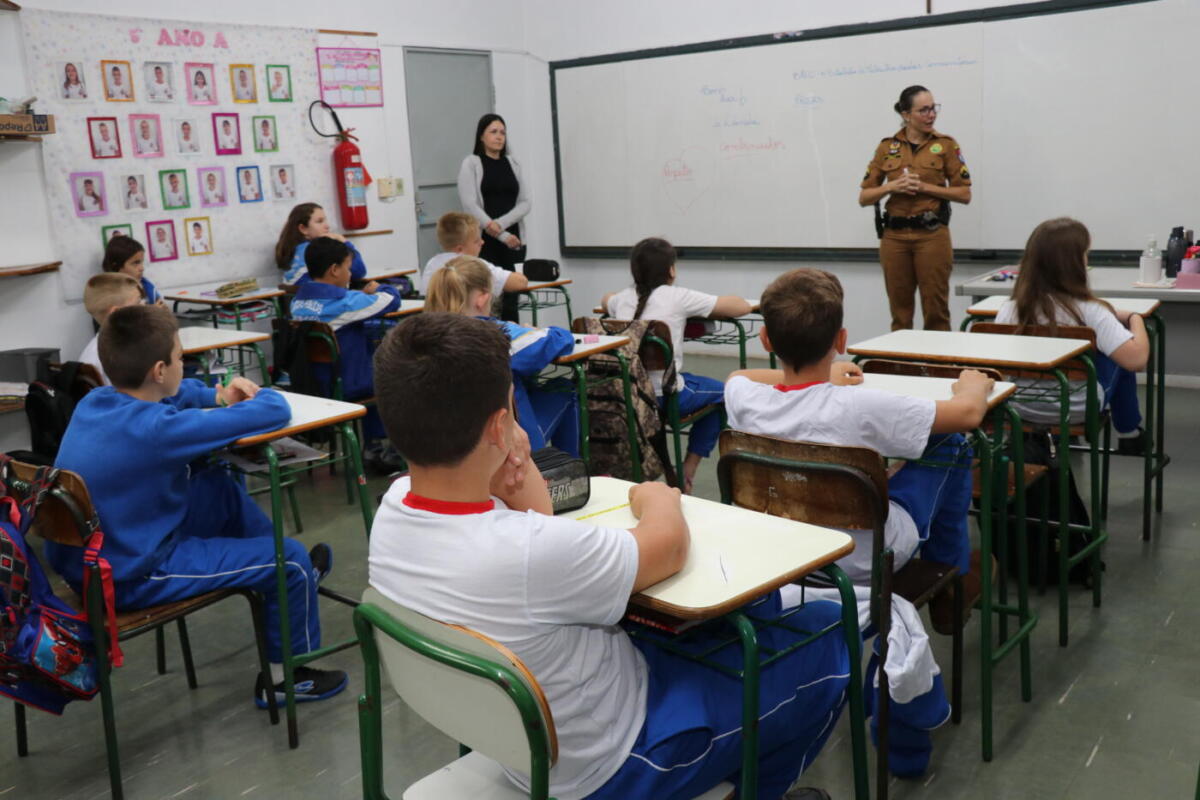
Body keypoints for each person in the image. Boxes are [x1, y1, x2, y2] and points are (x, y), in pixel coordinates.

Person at [368, 311, 850, 800]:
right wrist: (658, 496)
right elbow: (669, 546)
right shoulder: (530, 553)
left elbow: (539, 517)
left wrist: (509, 446)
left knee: (752, 612)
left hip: (517, 743)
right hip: (618, 763)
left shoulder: (393, 508)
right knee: (828, 630)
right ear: (498, 426)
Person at [723, 267, 995, 776]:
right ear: (842, 339)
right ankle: (950, 575)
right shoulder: (863, 405)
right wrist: (973, 385)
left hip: (783, 556)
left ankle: (949, 577)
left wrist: (814, 379)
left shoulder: (744, 398)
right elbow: (967, 415)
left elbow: (738, 376)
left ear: (765, 340)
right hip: (865, 560)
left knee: (883, 467)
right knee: (952, 445)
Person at [46, 304, 347, 708]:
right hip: (132, 574)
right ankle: (285, 679)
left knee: (215, 486)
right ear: (159, 371)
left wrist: (217, 395)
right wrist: (259, 391)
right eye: (179, 358)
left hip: (96, 557)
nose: (182, 364)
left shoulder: (97, 400)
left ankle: (288, 586)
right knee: (289, 559)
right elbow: (273, 410)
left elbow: (180, 394)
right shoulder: (157, 429)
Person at [601, 237, 751, 492]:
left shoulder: (621, 300)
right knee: (725, 394)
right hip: (666, 397)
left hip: (627, 396)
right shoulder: (678, 297)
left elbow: (606, 299)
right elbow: (741, 307)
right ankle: (688, 469)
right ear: (671, 270)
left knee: (696, 383)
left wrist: (613, 298)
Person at [995, 217, 1150, 454]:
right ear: (1074, 263)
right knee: (1119, 350)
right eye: (1085, 253)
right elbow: (1137, 360)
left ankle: (1041, 440)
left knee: (1106, 347)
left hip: (1019, 407)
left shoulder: (1010, 309)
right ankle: (1129, 432)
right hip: (1076, 410)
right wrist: (1135, 319)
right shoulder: (1091, 311)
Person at [425, 256, 578, 456]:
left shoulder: (423, 336)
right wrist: (531, 331)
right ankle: (565, 470)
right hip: (508, 445)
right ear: (482, 298)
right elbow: (560, 340)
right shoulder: (498, 336)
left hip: (445, 446)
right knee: (564, 388)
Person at [859, 85, 972, 332]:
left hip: (931, 235)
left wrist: (925, 187)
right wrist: (892, 187)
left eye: (933, 109)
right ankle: (901, 358)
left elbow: (964, 194)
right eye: (924, 110)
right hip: (894, 238)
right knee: (900, 315)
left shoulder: (945, 145)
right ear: (906, 114)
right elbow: (865, 197)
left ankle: (938, 358)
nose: (931, 115)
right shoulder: (887, 147)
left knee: (936, 312)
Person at [290, 237, 399, 442]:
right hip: (348, 383)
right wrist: (379, 288)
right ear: (334, 270)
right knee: (391, 376)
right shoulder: (345, 303)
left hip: (314, 382)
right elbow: (392, 300)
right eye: (348, 268)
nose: (350, 274)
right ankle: (379, 443)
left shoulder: (296, 303)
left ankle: (373, 444)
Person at [457, 113, 531, 321]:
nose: (499, 137)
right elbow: (469, 204)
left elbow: (525, 202)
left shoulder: (513, 163)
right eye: (493, 132)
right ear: (482, 136)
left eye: (502, 133)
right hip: (485, 241)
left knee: (511, 299)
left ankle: (512, 337)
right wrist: (499, 234)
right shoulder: (472, 163)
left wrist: (501, 225)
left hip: (514, 240)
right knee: (486, 297)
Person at [421, 211, 528, 295]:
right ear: (460, 249)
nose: (482, 242)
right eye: (476, 241)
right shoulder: (474, 265)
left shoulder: (432, 263)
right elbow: (520, 283)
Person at [276, 202, 367, 285]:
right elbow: (358, 272)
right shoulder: (318, 250)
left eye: (325, 221)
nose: (327, 226)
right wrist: (345, 242)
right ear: (303, 229)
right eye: (319, 221)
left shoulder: (291, 249)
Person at [79, 273, 143, 385]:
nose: (144, 307)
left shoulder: (128, 343)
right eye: (138, 303)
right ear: (116, 313)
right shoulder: (103, 358)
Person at [102, 236, 162, 303]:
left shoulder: (146, 285)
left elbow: (159, 303)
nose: (142, 268)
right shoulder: (109, 294)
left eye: (141, 262)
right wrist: (151, 308)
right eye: (136, 263)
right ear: (116, 266)